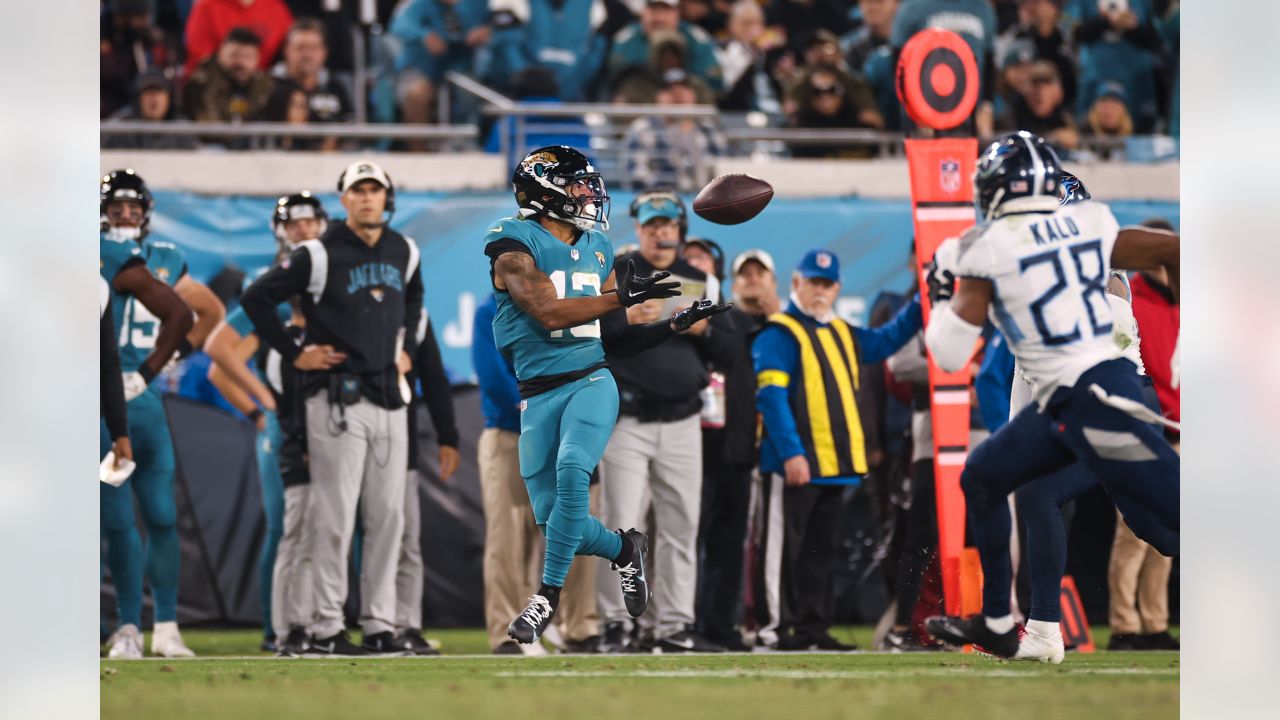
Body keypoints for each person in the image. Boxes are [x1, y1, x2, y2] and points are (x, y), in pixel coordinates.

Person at [921, 131, 1180, 658]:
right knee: (996, 479)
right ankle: (1020, 627)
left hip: (1107, 399)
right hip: (1072, 402)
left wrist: (943, 294)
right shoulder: (1090, 230)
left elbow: (948, 353)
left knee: (1166, 521)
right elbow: (1173, 248)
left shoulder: (991, 247)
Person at [481, 145, 730, 645]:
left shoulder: (597, 246)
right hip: (537, 394)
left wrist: (673, 326)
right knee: (556, 519)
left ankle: (543, 601)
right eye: (576, 185)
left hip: (590, 381)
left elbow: (610, 339)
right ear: (545, 190)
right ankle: (623, 549)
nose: (588, 194)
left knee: (574, 471)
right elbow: (548, 312)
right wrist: (620, 298)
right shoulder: (510, 243)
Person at [240, 161, 424, 656]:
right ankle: (325, 626)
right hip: (337, 400)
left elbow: (414, 302)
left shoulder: (404, 250)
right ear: (343, 200)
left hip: (390, 397)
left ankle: (380, 623)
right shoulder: (318, 254)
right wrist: (292, 349)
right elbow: (256, 297)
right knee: (334, 518)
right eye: (358, 191)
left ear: (387, 198)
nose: (367, 199)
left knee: (387, 518)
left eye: (375, 190)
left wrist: (406, 344)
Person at [753, 249, 923, 651]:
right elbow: (772, 400)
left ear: (838, 288)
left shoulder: (844, 333)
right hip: (792, 465)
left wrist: (921, 300)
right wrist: (792, 453)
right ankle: (773, 630)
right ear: (796, 283)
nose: (820, 290)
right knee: (782, 552)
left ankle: (814, 630)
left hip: (836, 467)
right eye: (813, 281)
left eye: (827, 284)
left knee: (820, 554)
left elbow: (887, 340)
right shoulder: (779, 333)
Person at [597, 191, 737, 655]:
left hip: (682, 421)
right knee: (621, 526)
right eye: (652, 224)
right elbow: (589, 340)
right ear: (637, 228)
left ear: (680, 229)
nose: (660, 232)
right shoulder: (614, 273)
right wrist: (621, 320)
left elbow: (732, 353)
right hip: (628, 419)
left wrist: (704, 328)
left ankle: (673, 624)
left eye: (668, 224)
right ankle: (618, 624)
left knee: (681, 527)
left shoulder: (703, 280)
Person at [100, 169, 224, 659]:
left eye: (134, 207)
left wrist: (166, 362)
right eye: (117, 207)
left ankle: (167, 626)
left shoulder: (166, 258)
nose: (126, 214)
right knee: (116, 516)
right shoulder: (94, 252)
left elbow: (204, 311)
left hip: (142, 392)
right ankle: (128, 624)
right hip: (100, 392)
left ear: (146, 211)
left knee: (161, 513)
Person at [206, 192, 327, 653]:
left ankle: (316, 622)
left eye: (309, 220)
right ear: (280, 231)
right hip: (287, 420)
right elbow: (220, 356)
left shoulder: (329, 280)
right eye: (293, 223)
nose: (302, 229)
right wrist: (264, 407)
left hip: (327, 416)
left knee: (328, 526)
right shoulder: (275, 288)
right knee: (284, 526)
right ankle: (274, 627)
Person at [473, 292, 604, 655]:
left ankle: (578, 626)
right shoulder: (491, 310)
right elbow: (492, 376)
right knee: (509, 538)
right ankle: (507, 631)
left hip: (569, 434)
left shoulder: (575, 303)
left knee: (578, 528)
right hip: (512, 433)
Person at [694, 249, 779, 651]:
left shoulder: (782, 328)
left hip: (749, 448)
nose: (752, 280)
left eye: (760, 274)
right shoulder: (716, 319)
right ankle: (690, 623)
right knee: (697, 541)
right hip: (705, 447)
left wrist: (778, 317)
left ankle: (723, 625)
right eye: (745, 274)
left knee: (732, 544)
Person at [1108, 218, 1180, 652]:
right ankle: (1124, 624)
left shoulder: (1178, 303)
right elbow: (1142, 364)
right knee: (1132, 533)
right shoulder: (1135, 302)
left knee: (1166, 535)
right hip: (1151, 422)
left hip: (1184, 427)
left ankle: (1154, 622)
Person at [890, 0, 998, 136]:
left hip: (971, 117)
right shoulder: (912, 8)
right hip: (925, 119)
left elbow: (989, 64)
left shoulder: (983, 9)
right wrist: (914, 111)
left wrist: (987, 106)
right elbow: (898, 65)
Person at [389, 0, 492, 127]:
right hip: (421, 68)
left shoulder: (477, 5)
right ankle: (418, 146)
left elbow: (504, 22)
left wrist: (489, 31)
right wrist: (424, 35)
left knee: (472, 95)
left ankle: (466, 140)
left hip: (460, 69)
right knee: (417, 94)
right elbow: (398, 26)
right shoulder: (419, 4)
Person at [484, 0, 608, 103]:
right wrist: (529, 83)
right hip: (517, 101)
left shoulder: (593, 5)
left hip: (570, 103)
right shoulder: (510, 2)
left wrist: (568, 88)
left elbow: (595, 53)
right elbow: (506, 46)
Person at [622, 70, 726, 192]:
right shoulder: (643, 129)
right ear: (658, 97)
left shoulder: (708, 129)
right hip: (661, 204)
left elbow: (724, 169)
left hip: (706, 202)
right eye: (669, 89)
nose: (678, 93)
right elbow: (636, 176)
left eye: (684, 87)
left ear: (693, 95)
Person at [608, 0, 724, 96]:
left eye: (665, 10)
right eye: (653, 9)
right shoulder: (627, 38)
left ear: (677, 13)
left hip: (688, 109)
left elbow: (712, 85)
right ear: (643, 12)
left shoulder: (696, 39)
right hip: (641, 106)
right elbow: (615, 82)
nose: (658, 17)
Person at [100, 0, 182, 118]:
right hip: (115, 113)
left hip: (150, 114)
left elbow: (169, 77)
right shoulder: (109, 47)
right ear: (125, 18)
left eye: (147, 16)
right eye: (142, 17)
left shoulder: (155, 41)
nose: (146, 21)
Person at [182, 26, 276, 124]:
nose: (241, 63)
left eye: (248, 57)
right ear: (221, 53)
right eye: (234, 55)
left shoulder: (265, 83)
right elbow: (209, 129)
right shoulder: (202, 82)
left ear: (258, 59)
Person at [270, 18, 354, 124]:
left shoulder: (335, 88)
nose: (307, 55)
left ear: (324, 52)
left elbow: (350, 129)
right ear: (286, 50)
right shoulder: (269, 87)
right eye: (300, 48)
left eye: (314, 48)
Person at [184, 0, 295, 76]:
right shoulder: (207, 6)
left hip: (263, 87)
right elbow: (201, 56)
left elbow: (291, 50)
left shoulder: (276, 7)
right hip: (217, 86)